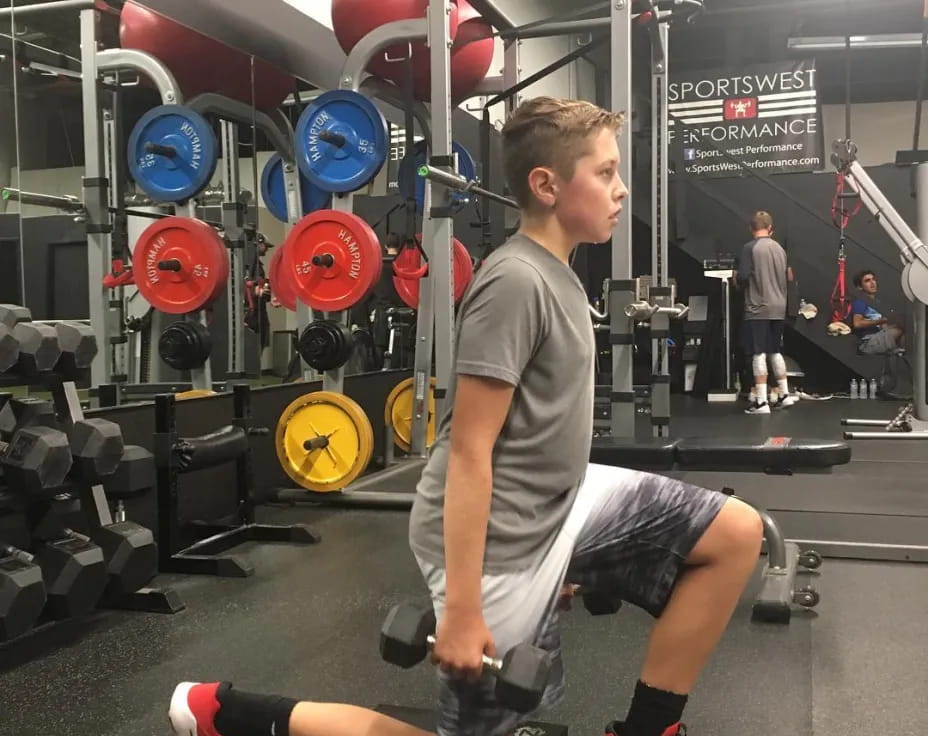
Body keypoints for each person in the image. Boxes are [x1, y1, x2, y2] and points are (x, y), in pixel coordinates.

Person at [166, 97, 763, 736]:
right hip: (500, 540)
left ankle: (650, 729)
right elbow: (468, 451)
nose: (621, 191)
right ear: (547, 185)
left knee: (733, 534)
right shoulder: (514, 284)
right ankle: (225, 712)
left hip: (560, 504)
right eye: (606, 173)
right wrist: (461, 607)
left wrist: (574, 553)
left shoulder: (559, 273)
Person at [736, 211, 797, 414]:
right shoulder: (780, 249)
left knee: (759, 353)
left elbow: (743, 277)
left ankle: (761, 402)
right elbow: (788, 277)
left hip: (758, 307)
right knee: (775, 351)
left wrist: (736, 278)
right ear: (770, 228)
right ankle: (784, 394)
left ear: (751, 228)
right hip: (779, 307)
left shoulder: (749, 248)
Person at [849, 269, 905, 354]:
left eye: (873, 279)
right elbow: (857, 323)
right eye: (867, 281)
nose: (872, 283)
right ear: (860, 287)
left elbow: (883, 325)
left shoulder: (878, 302)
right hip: (867, 342)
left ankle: (899, 351)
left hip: (878, 337)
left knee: (904, 327)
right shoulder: (860, 303)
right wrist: (881, 321)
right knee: (898, 330)